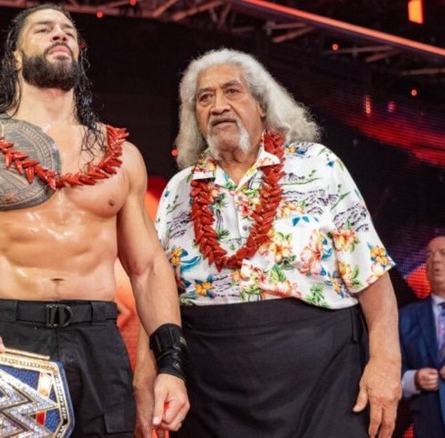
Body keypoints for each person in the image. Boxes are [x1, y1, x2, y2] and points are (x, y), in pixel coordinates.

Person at [0, 4, 189, 436]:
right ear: (16, 58)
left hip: (99, 340)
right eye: (43, 29)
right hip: (8, 336)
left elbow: (148, 267)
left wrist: (169, 365)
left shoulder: (120, 155)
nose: (59, 35)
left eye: (67, 30)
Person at [133, 48, 402, 438]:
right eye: (204, 98)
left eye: (232, 91)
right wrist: (146, 376)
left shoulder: (318, 166)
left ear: (262, 105)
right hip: (213, 391)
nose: (218, 105)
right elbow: (154, 289)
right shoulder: (178, 191)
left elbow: (372, 273)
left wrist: (386, 364)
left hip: (324, 382)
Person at [400, 235, 445, 437]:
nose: (435, 259)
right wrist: (414, 379)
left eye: (444, 253)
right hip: (429, 427)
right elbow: (390, 374)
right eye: (429, 255)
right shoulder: (404, 317)